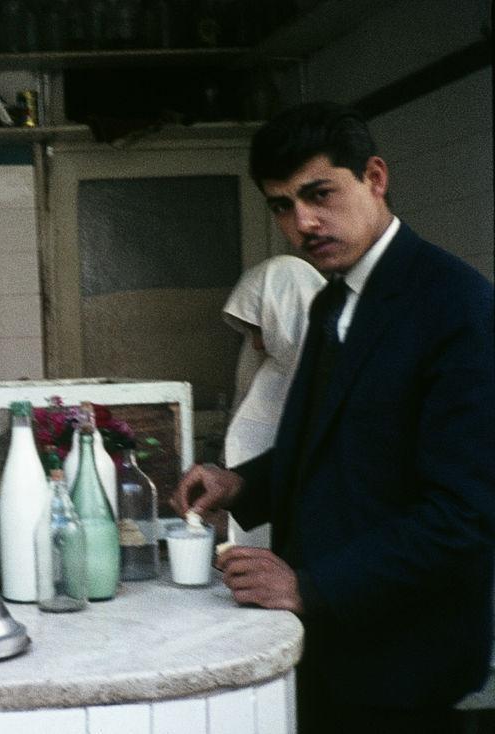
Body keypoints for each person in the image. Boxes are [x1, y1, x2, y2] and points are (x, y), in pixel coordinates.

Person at [172, 102, 494, 733]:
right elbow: (333, 445)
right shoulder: (332, 300)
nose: (303, 223)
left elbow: (467, 513)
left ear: (374, 177)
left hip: (403, 661)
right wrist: (243, 485)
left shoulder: (457, 307)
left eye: (319, 194)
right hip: (326, 648)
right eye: (282, 205)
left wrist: (309, 588)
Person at [221, 254, 325, 547]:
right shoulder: (273, 371)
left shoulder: (341, 370)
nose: (256, 344)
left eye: (260, 328)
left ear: (285, 311)